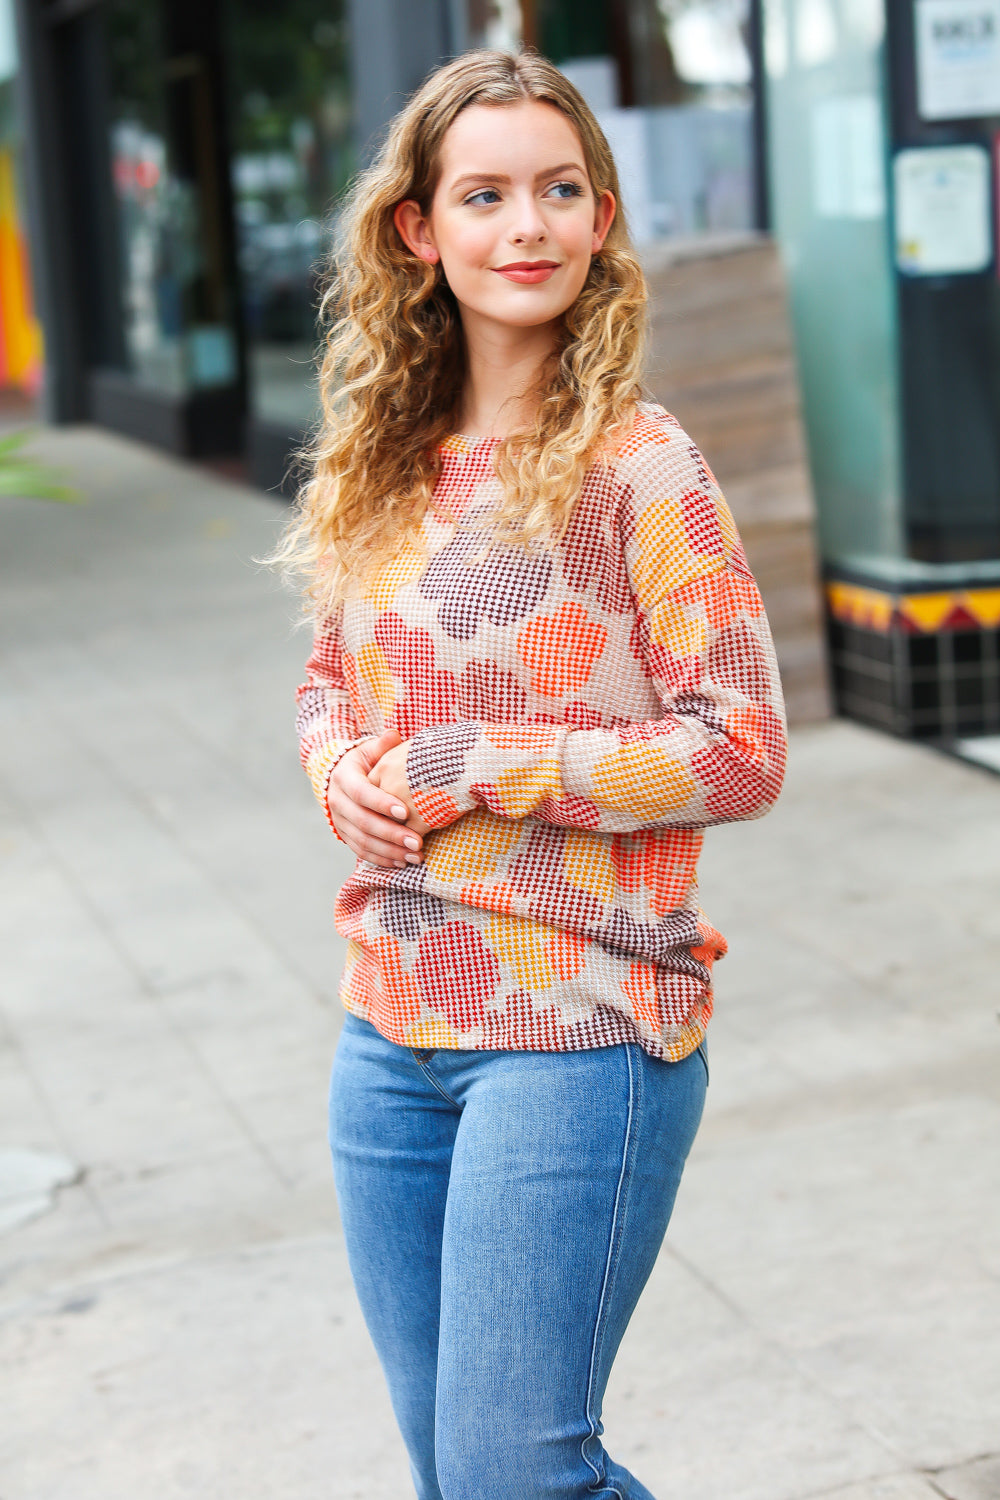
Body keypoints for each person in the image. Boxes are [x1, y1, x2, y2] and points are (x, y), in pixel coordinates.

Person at [277, 48, 786, 1500]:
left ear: (605, 216)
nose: (530, 226)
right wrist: (339, 778)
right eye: (487, 194)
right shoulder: (379, 454)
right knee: (456, 1474)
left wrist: (484, 762)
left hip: (580, 1022)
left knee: (513, 1471)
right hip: (388, 1033)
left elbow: (741, 749)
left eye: (561, 190)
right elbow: (330, 683)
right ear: (419, 232)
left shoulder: (644, 468)